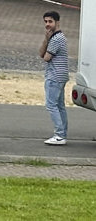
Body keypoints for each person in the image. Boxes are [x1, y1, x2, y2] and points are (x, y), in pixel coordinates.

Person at [40, 10, 69, 145]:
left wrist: (47, 41)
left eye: (50, 21)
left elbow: (46, 57)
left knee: (51, 105)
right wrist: (46, 38)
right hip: (61, 75)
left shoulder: (57, 38)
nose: (47, 24)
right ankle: (62, 133)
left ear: (57, 22)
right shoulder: (55, 37)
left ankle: (59, 135)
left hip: (55, 75)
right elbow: (41, 53)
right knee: (60, 106)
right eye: (45, 21)